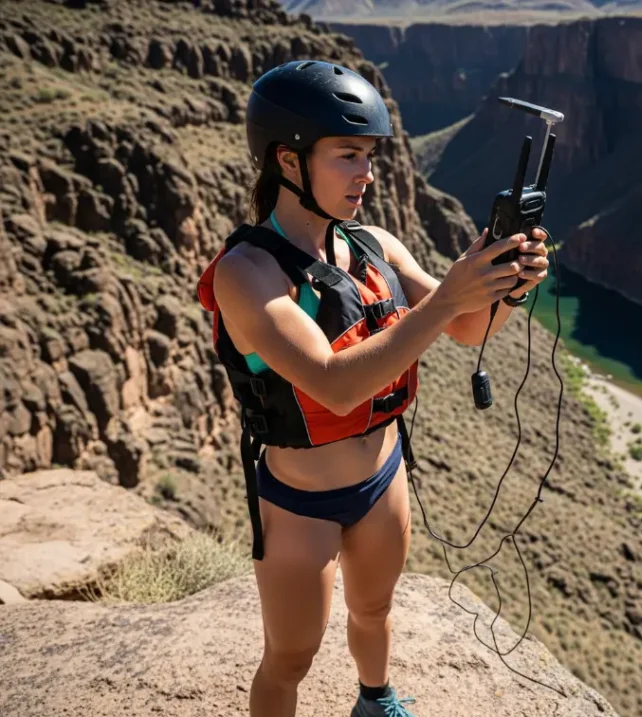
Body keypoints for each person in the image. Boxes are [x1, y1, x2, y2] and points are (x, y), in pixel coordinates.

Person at [200, 60, 550, 717]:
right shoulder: (246, 274)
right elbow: (335, 386)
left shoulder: (373, 245)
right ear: (289, 159)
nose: (367, 173)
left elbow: (468, 328)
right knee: (290, 656)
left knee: (374, 607)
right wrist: (450, 294)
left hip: (382, 475)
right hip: (299, 502)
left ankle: (375, 698)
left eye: (370, 156)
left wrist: (506, 284)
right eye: (348, 156)